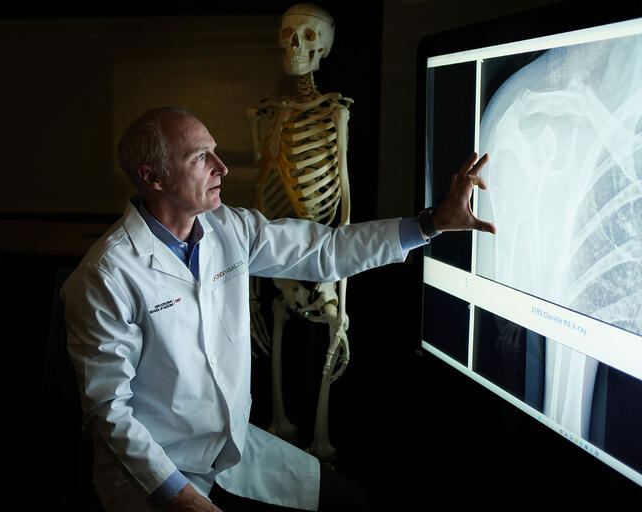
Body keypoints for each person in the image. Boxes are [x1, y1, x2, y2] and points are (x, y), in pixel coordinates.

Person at [61, 107, 495, 512]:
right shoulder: (105, 275)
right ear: (152, 176)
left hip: (234, 449)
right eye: (201, 158)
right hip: (153, 474)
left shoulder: (227, 227)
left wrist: (431, 223)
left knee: (353, 503)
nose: (222, 167)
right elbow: (107, 411)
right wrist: (181, 498)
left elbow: (326, 250)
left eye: (215, 151)